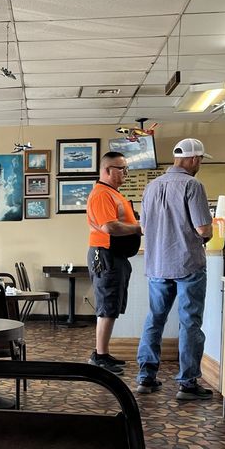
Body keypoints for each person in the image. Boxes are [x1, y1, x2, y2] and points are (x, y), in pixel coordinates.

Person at [135, 139, 215, 400]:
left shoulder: (151, 186)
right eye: (200, 160)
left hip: (157, 265)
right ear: (194, 159)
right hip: (187, 263)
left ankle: (146, 377)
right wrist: (208, 234)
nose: (199, 164)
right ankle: (187, 383)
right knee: (189, 322)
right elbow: (203, 228)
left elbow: (144, 228)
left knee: (155, 319)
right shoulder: (193, 185)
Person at [85, 151, 142, 373]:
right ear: (107, 170)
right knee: (107, 306)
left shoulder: (113, 193)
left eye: (126, 168)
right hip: (106, 254)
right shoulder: (101, 194)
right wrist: (139, 228)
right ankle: (99, 357)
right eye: (122, 169)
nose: (126, 173)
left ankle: (103, 352)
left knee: (113, 305)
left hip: (116, 256)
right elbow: (109, 226)